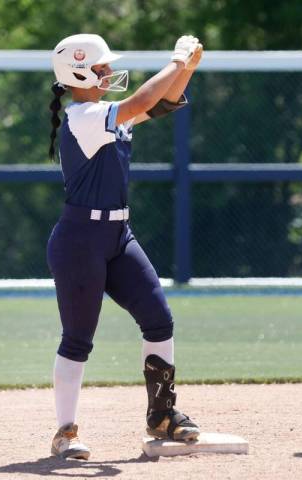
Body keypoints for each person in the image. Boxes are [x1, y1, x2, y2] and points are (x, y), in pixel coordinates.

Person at [46, 33, 203, 459]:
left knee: (159, 319)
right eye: (101, 68)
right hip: (80, 240)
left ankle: (162, 415)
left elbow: (160, 103)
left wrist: (185, 69)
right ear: (77, 72)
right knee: (78, 339)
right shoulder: (83, 115)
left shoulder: (103, 113)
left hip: (118, 235)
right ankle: (65, 431)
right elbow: (137, 103)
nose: (109, 73)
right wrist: (175, 61)